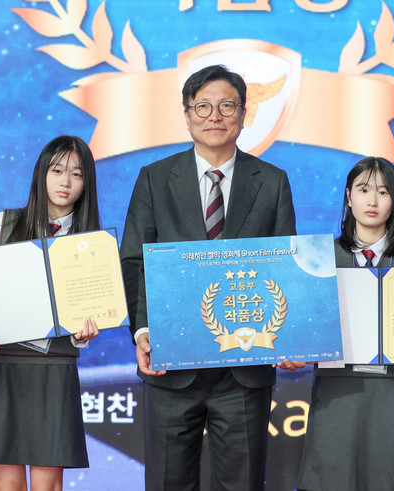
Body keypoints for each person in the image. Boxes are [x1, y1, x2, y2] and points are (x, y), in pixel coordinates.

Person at [120, 64, 302, 490]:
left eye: (226, 106)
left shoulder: (272, 182)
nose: (214, 116)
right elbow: (134, 260)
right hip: (171, 364)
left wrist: (290, 337)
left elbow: (284, 265)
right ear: (187, 115)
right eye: (202, 106)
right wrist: (143, 331)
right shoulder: (154, 179)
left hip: (244, 367)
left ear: (243, 114)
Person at [0, 135, 101, 490]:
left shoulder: (92, 243)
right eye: (57, 170)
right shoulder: (5, 223)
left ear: (87, 183)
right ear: (41, 174)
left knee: (47, 483)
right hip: (2, 363)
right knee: (6, 483)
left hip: (53, 367)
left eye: (77, 174)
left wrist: (85, 332)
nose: (66, 181)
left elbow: (92, 312)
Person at [296, 156, 394, 491]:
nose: (372, 200)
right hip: (335, 395)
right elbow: (305, 330)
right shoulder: (321, 259)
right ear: (349, 197)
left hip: (388, 395)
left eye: (383, 192)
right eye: (363, 190)